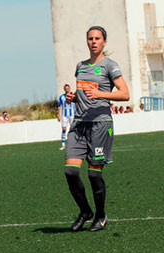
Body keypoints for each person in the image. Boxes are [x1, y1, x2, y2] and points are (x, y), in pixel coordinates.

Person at [64, 25, 129, 232]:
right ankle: (85, 211)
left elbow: (124, 94)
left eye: (97, 38)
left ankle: (101, 216)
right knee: (71, 172)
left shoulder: (110, 65)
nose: (93, 41)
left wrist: (101, 94)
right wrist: (74, 97)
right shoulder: (80, 66)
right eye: (90, 38)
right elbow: (83, 92)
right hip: (79, 124)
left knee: (93, 175)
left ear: (104, 42)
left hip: (100, 124)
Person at [57, 84, 75, 150]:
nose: (67, 89)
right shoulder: (62, 97)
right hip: (64, 115)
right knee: (64, 130)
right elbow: (59, 106)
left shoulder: (73, 95)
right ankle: (63, 144)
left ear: (69, 88)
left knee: (73, 129)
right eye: (66, 88)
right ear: (64, 89)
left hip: (72, 115)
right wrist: (59, 115)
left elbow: (76, 104)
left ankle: (73, 144)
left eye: (68, 88)